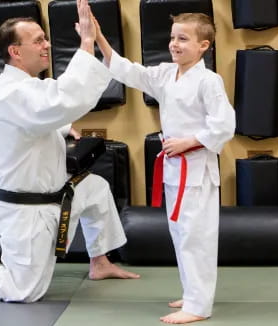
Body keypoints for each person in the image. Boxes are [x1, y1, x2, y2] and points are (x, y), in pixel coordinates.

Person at [0, 0, 139, 302]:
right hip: (27, 211)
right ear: (15, 52)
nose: (47, 45)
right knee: (23, 291)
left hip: (56, 195)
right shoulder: (13, 92)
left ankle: (100, 262)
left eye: (46, 38)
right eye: (38, 40)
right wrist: (86, 41)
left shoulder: (23, 88)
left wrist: (62, 127)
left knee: (96, 188)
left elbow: (40, 114)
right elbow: (63, 97)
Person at [92, 12, 235, 324]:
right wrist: (98, 37)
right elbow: (130, 71)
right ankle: (192, 292)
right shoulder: (168, 75)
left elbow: (225, 125)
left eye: (183, 38)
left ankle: (198, 305)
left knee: (197, 237)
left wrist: (188, 142)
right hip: (174, 168)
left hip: (196, 171)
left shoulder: (209, 81)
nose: (174, 44)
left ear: (204, 46)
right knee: (180, 234)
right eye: (172, 37)